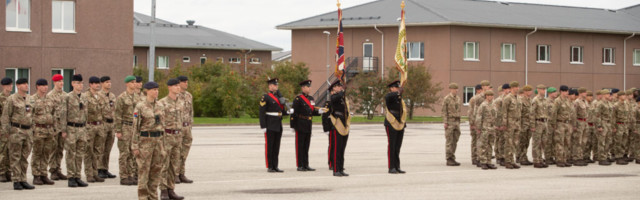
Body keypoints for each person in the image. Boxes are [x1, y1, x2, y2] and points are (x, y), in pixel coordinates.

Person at [132, 81, 166, 200]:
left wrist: (163, 145)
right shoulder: (140, 106)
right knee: (144, 172)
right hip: (145, 142)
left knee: (156, 172)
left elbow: (163, 126)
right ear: (147, 91)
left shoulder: (160, 105)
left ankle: (153, 197)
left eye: (157, 89)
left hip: (158, 141)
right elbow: (135, 127)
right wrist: (135, 146)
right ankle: (142, 197)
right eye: (153, 89)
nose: (156, 91)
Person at [1, 78, 36, 190]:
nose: (26, 85)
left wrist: (33, 130)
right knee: (15, 157)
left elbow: (33, 115)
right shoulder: (12, 99)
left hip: (28, 131)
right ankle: (16, 180)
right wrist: (7, 132)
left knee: (24, 157)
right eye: (23, 84)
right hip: (16, 131)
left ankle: (23, 179)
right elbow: (6, 117)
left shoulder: (30, 99)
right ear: (18, 86)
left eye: (27, 83)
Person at [61, 74, 90, 187]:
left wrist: (86, 128)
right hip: (71, 128)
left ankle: (78, 176)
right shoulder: (67, 97)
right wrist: (63, 130)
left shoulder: (84, 97)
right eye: (78, 83)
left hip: (82, 128)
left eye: (82, 83)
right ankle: (71, 177)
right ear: (73, 84)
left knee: (79, 154)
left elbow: (86, 113)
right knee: (70, 154)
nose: (80, 85)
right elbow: (63, 114)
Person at [290, 80, 325, 172]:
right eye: (308, 87)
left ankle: (306, 164)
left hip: (308, 124)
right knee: (300, 146)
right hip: (300, 123)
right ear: (303, 88)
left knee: (306, 146)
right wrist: (292, 125)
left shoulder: (311, 98)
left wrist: (319, 112)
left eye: (310, 87)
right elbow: (294, 113)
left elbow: (312, 111)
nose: (309, 88)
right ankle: (300, 165)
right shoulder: (298, 99)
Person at [159, 79, 185, 200]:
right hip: (166, 136)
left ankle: (171, 189)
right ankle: (163, 190)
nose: (178, 88)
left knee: (174, 165)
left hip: (177, 137)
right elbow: (158, 122)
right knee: (164, 164)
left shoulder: (181, 102)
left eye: (178, 86)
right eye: (175, 86)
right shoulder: (162, 103)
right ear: (169, 87)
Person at [115, 75, 140, 185]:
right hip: (125, 126)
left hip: (135, 127)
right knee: (124, 153)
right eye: (132, 82)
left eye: (135, 82)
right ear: (127, 84)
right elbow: (118, 114)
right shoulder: (121, 97)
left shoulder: (138, 97)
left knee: (132, 152)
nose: (135, 84)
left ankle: (131, 175)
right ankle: (124, 176)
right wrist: (118, 130)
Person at [30, 79, 56, 185]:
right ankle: (36, 175)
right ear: (37, 87)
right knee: (37, 153)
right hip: (38, 130)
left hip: (49, 130)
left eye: (46, 85)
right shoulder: (32, 99)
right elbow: (29, 115)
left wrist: (54, 128)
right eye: (43, 85)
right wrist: (32, 130)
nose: (45, 87)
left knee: (46, 153)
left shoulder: (49, 99)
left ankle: (44, 174)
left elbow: (53, 114)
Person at [259, 78, 287, 173]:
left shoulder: (279, 97)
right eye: (274, 85)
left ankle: (275, 165)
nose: (276, 86)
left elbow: (281, 111)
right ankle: (270, 166)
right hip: (270, 124)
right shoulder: (265, 97)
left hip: (278, 124)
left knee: (276, 146)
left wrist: (288, 112)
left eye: (277, 85)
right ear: (270, 86)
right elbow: (262, 112)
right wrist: (263, 126)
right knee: (269, 146)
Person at [83, 76, 106, 183]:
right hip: (89, 126)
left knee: (98, 151)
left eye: (98, 83)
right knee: (88, 151)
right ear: (90, 84)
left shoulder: (101, 96)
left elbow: (104, 112)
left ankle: (95, 172)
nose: (97, 85)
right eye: (95, 83)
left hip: (100, 126)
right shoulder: (85, 96)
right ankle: (89, 174)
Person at [47, 74, 68, 181]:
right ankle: (52, 171)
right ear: (54, 83)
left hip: (63, 127)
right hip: (54, 127)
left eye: (62, 81)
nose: (61, 83)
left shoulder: (65, 95)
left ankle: (58, 169)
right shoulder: (50, 95)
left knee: (60, 149)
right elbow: (49, 112)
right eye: (59, 81)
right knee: (53, 149)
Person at [328, 80, 350, 177]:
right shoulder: (334, 97)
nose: (340, 87)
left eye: (340, 86)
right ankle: (336, 169)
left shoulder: (341, 97)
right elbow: (335, 98)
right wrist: (342, 91)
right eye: (338, 86)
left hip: (344, 123)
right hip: (337, 124)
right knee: (337, 148)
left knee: (342, 148)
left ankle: (340, 168)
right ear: (333, 88)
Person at [384, 80, 407, 174]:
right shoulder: (390, 96)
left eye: (398, 88)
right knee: (392, 146)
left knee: (398, 146)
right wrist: (398, 92)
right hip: (391, 123)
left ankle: (397, 166)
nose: (398, 89)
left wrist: (399, 94)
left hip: (400, 122)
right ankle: (391, 167)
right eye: (396, 88)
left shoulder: (399, 98)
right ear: (391, 88)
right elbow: (388, 97)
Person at [550, 85, 574, 167]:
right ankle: (559, 160)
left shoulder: (568, 100)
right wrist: (553, 124)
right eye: (566, 91)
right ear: (562, 92)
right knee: (559, 142)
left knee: (567, 142)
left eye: (567, 91)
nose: (567, 93)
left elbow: (570, 112)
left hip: (567, 123)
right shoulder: (557, 101)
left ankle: (564, 159)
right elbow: (554, 113)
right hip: (560, 123)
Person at [98, 76, 118, 179]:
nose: (109, 84)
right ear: (102, 83)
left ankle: (105, 168)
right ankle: (99, 169)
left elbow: (115, 110)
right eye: (106, 82)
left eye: (110, 82)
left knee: (108, 148)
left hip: (111, 124)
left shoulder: (112, 96)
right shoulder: (98, 95)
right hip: (103, 123)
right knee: (100, 147)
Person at [500, 81, 522, 169]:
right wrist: (504, 123)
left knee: (515, 143)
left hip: (517, 123)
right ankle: (508, 161)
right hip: (510, 123)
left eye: (518, 87)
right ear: (512, 88)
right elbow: (504, 111)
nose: (517, 88)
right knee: (509, 143)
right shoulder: (508, 98)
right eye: (516, 87)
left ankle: (512, 160)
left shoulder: (518, 98)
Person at [176, 76, 193, 183]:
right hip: (178, 127)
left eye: (187, 82)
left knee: (184, 152)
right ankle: (175, 174)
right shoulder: (175, 96)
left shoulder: (189, 95)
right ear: (179, 83)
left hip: (187, 127)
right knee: (176, 152)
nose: (186, 84)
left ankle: (182, 173)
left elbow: (191, 111)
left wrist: (191, 125)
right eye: (184, 82)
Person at [475, 90, 497, 170]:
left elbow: (495, 116)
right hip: (485, 127)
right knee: (484, 145)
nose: (491, 97)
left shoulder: (493, 104)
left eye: (492, 95)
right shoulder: (483, 105)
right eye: (489, 95)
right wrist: (478, 127)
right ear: (486, 96)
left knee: (490, 145)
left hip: (492, 127)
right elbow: (479, 117)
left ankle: (489, 161)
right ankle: (483, 161)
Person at [442, 83, 461, 166]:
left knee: (455, 141)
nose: (456, 90)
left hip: (456, 122)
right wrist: (445, 122)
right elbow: (444, 111)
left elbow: (458, 110)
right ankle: (449, 158)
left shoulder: (458, 98)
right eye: (454, 89)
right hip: (450, 122)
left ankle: (452, 157)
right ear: (450, 89)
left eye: (457, 89)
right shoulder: (447, 99)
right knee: (449, 141)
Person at [530, 84, 549, 168]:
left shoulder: (545, 100)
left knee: (543, 142)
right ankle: (536, 160)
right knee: (536, 142)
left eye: (544, 89)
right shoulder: (535, 100)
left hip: (544, 122)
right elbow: (532, 113)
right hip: (538, 122)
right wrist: (532, 125)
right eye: (542, 89)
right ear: (538, 90)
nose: (544, 91)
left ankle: (540, 159)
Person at [0, 77, 13, 183]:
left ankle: (8, 172)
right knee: (3, 152)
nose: (10, 87)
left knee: (10, 151)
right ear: (3, 86)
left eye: (11, 85)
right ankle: (2, 173)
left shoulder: (12, 98)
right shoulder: (1, 98)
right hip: (3, 129)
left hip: (12, 130)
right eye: (8, 85)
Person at [595, 90, 613, 165]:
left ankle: (605, 156)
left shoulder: (609, 103)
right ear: (603, 95)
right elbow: (597, 115)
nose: (609, 95)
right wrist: (599, 125)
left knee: (608, 141)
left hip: (608, 124)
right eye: (607, 94)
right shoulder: (600, 104)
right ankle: (601, 158)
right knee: (602, 142)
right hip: (603, 123)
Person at [467, 84, 484, 165]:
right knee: (475, 141)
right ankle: (474, 158)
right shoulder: (474, 99)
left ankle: (478, 157)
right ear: (478, 90)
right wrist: (472, 123)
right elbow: (470, 112)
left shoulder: (482, 98)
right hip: (475, 122)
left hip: (480, 122)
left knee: (479, 141)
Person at [572, 88, 589, 166]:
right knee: (578, 141)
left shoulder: (585, 101)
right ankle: (576, 158)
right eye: (584, 92)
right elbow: (574, 114)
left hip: (585, 122)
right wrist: (574, 125)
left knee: (583, 141)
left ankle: (581, 157)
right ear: (581, 93)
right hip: (579, 122)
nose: (586, 94)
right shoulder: (577, 102)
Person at [517, 85, 534, 166]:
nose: (531, 92)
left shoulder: (530, 100)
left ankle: (523, 156)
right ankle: (521, 157)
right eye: (529, 90)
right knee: (522, 141)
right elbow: (518, 113)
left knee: (526, 141)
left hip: (529, 123)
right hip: (523, 123)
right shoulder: (520, 100)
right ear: (525, 92)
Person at [612, 90, 629, 165]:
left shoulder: (626, 104)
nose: (624, 96)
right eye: (623, 95)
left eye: (625, 95)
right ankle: (618, 157)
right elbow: (613, 117)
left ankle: (622, 155)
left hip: (625, 125)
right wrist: (614, 127)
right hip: (619, 125)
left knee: (624, 141)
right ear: (619, 96)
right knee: (618, 141)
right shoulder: (616, 105)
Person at [323, 86, 335, 170]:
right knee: (332, 146)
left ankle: (337, 163)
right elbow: (325, 117)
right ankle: (331, 163)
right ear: (331, 92)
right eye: (334, 91)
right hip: (331, 127)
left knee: (339, 146)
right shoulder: (328, 103)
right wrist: (326, 129)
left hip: (339, 127)